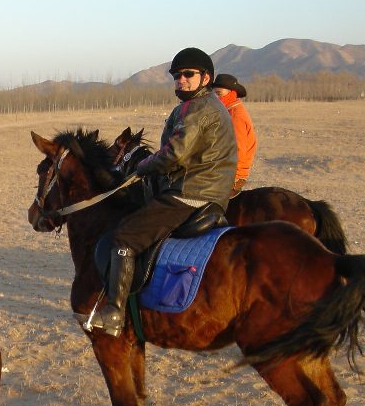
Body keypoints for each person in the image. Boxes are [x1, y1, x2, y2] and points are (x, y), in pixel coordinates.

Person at [94, 47, 237, 337]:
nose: (180, 80)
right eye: (176, 76)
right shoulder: (197, 106)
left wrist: (142, 167)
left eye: (188, 75)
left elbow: (174, 154)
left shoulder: (200, 109)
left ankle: (114, 312)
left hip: (191, 191)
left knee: (126, 236)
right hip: (198, 187)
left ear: (205, 77)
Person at [213, 73, 257, 197]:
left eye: (219, 94)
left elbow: (237, 152)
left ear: (232, 93)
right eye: (214, 94)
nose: (216, 98)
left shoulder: (235, 116)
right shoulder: (228, 112)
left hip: (232, 176)